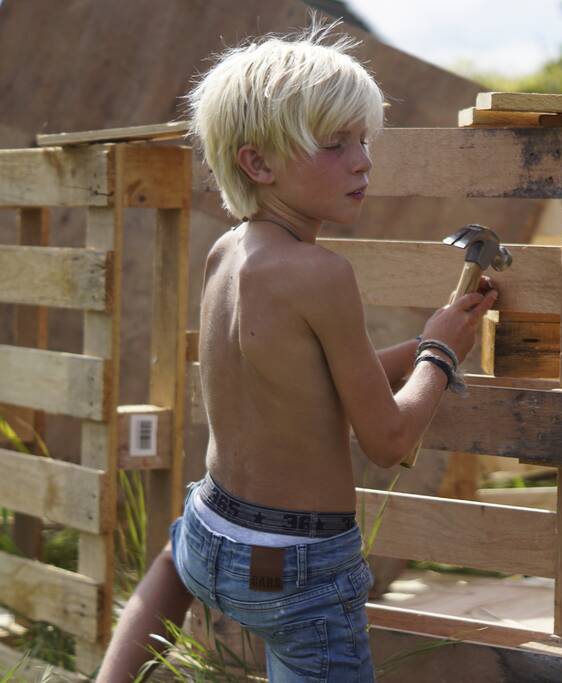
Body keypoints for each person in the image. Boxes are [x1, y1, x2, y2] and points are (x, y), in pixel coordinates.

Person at [96, 21, 497, 682]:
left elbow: (313, 376)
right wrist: (439, 358)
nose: (363, 160)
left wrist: (428, 334)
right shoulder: (323, 275)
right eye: (336, 144)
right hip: (299, 574)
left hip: (210, 535)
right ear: (258, 162)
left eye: (364, 140)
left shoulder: (228, 252)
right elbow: (388, 438)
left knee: (171, 560)